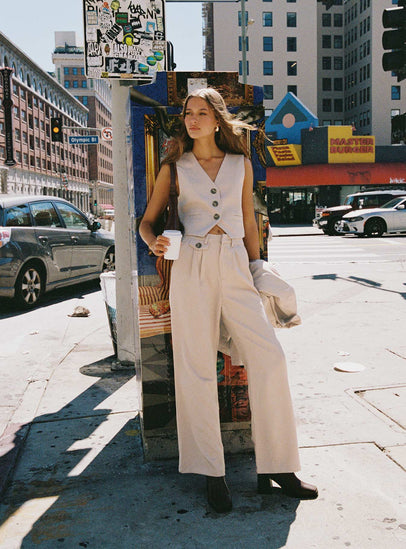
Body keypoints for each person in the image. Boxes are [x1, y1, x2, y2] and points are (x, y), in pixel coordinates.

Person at [139, 88, 317, 513]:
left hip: (237, 262)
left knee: (270, 358)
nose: (193, 119)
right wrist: (154, 242)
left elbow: (249, 223)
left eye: (202, 112)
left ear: (217, 119)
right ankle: (211, 471)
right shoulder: (174, 167)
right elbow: (146, 222)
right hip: (191, 266)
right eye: (188, 112)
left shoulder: (240, 164)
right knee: (196, 367)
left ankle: (278, 466)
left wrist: (257, 268)